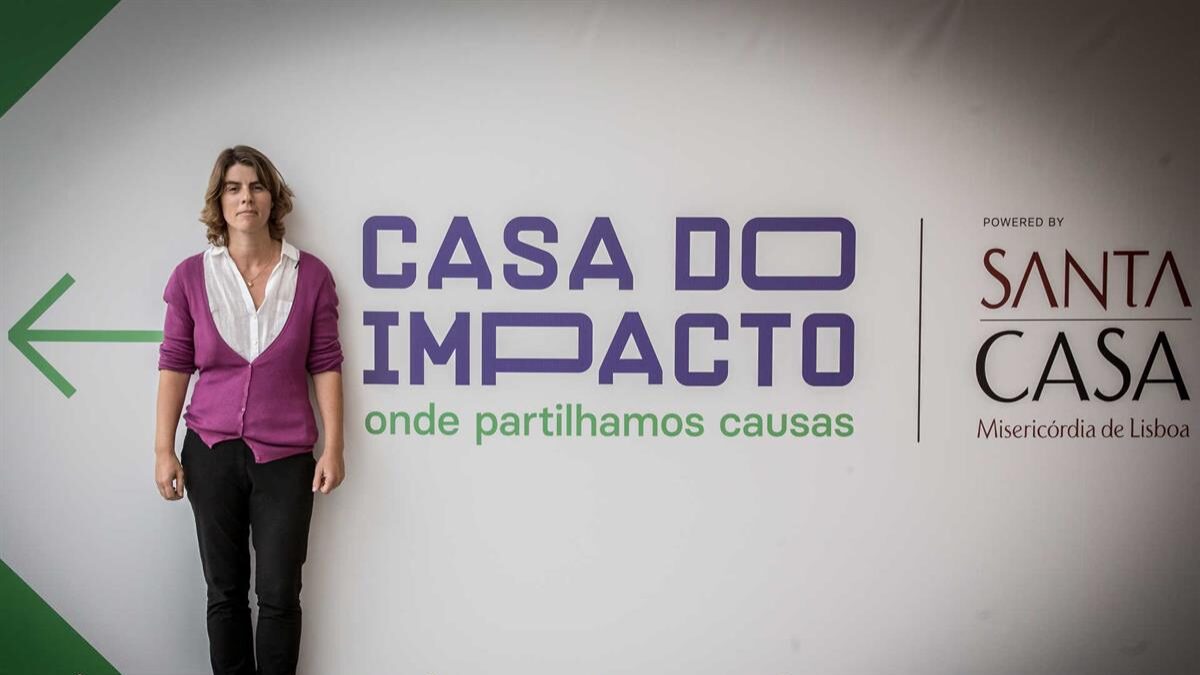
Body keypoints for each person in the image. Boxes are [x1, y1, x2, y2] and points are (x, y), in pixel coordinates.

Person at [153, 145, 345, 675]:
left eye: (257, 187)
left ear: (272, 198)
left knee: (280, 593)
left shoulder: (311, 275)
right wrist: (163, 450)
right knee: (225, 591)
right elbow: (175, 363)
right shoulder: (190, 277)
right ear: (219, 201)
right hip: (209, 453)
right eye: (234, 188)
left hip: (286, 457)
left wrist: (334, 446)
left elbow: (326, 362)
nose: (246, 198)